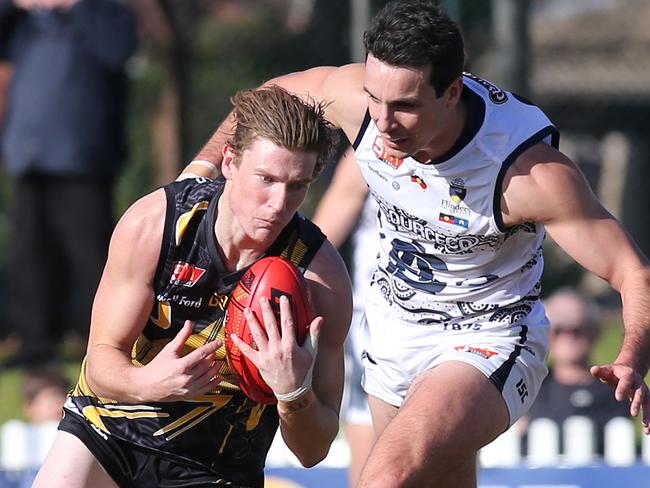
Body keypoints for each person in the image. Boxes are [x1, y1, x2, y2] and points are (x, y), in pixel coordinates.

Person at [183, 1, 650, 486]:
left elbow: (633, 272)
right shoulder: (359, 102)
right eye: (375, 99)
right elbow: (268, 98)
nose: (383, 123)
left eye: (405, 106)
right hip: (392, 330)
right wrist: (198, 172)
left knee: (383, 478)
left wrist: (632, 356)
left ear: (452, 92)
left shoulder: (524, 173)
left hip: (487, 338)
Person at [31, 85, 353, 488]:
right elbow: (99, 365)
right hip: (108, 432)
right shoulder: (156, 224)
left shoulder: (319, 278)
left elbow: (313, 450)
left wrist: (293, 391)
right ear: (230, 163)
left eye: (296, 186)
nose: (278, 203)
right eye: (266, 179)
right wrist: (148, 382)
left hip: (215, 466)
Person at [0, 0, 138, 366]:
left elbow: (117, 49)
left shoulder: (107, 15)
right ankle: (35, 344)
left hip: (82, 157)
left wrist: (72, 5)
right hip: (30, 155)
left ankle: (110, 340)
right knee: (30, 255)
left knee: (92, 256)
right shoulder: (24, 23)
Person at [312, 147, 376, 486]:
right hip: (377, 321)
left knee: (450, 444)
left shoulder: (470, 145)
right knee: (367, 422)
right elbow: (317, 241)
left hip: (452, 319)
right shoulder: (372, 148)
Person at [525, 288, 631, 455]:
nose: (568, 336)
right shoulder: (529, 386)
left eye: (577, 328)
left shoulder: (614, 388)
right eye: (558, 329)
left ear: (595, 331)